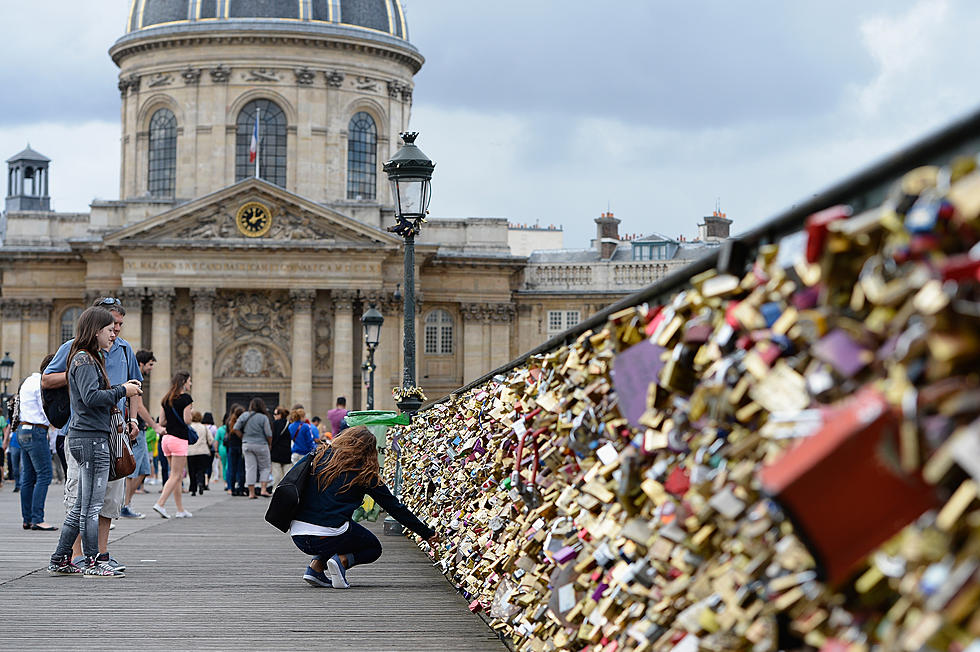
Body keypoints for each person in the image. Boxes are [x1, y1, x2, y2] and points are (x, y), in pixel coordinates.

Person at [44, 297, 148, 570]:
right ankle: (90, 560)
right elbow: (91, 397)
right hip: (90, 436)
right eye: (109, 327)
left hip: (103, 434)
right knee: (88, 504)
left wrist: (131, 416)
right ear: (96, 329)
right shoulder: (83, 357)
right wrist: (119, 390)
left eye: (117, 327)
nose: (114, 332)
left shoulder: (110, 352)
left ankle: (62, 558)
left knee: (90, 503)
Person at [289, 426, 439, 589]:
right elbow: (395, 508)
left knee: (339, 530)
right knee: (372, 547)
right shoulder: (364, 473)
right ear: (369, 451)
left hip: (298, 533)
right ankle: (341, 562)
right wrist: (427, 534)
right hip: (328, 535)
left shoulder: (318, 456)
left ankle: (315, 569)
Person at [121, 350, 165, 518]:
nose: (152, 369)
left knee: (144, 469)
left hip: (140, 430)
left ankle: (126, 503)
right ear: (141, 363)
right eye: (150, 365)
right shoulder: (135, 377)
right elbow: (139, 406)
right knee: (133, 469)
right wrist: (155, 426)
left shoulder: (137, 377)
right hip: (135, 429)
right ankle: (124, 505)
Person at [18, 354, 58, 531]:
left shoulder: (28, 381)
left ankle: (27, 518)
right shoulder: (42, 383)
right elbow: (46, 408)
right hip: (36, 430)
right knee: (44, 475)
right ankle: (37, 519)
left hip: (22, 429)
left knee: (27, 477)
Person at [152, 371, 193, 519]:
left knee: (175, 476)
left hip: (166, 439)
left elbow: (161, 422)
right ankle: (160, 503)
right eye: (189, 381)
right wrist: (190, 413)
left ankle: (180, 509)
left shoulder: (166, 399)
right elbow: (187, 420)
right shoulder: (186, 399)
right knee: (177, 475)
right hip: (179, 439)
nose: (191, 384)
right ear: (183, 382)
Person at [236, 397, 273, 499]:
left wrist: (243, 437)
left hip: (247, 444)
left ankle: (251, 493)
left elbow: (235, 428)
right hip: (261, 444)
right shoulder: (263, 417)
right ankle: (263, 489)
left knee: (250, 468)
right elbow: (268, 433)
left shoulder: (244, 415)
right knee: (265, 467)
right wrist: (270, 443)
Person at [186, 411, 213, 496]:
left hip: (191, 451)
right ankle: (201, 483)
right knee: (201, 469)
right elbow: (211, 440)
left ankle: (193, 488)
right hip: (203, 451)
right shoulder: (204, 428)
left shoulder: (189, 427)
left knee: (192, 470)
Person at [224, 404, 245, 495]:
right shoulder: (243, 422)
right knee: (241, 469)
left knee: (231, 468)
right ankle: (240, 488)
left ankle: (231, 488)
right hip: (240, 446)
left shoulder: (229, 421)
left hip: (231, 446)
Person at [270, 405, 291, 488]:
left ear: (280, 415)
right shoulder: (289, 424)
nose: (274, 416)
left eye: (275, 414)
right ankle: (286, 490)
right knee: (286, 474)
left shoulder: (273, 424)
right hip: (286, 452)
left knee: (276, 474)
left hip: (276, 452)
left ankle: (275, 490)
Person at [202, 412, 217, 487]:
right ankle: (207, 481)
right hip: (211, 449)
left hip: (203, 448)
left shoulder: (201, 426)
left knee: (202, 465)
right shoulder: (214, 428)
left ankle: (203, 480)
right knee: (209, 465)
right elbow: (215, 439)